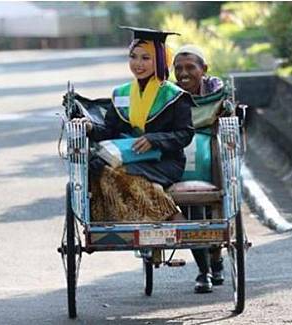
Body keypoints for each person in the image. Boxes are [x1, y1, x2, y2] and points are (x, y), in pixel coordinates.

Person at [72, 27, 195, 223]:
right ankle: (146, 221)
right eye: (133, 56)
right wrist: (89, 126)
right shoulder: (122, 93)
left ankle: (173, 216)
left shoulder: (175, 96)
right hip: (129, 156)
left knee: (116, 172)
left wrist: (154, 140)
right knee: (98, 170)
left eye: (146, 58)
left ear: (160, 60)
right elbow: (110, 131)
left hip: (165, 161)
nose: (138, 64)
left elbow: (185, 134)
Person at [173, 44, 226, 293]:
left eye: (190, 67)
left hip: (211, 149)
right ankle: (203, 272)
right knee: (192, 209)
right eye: (178, 68)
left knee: (216, 208)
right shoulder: (170, 93)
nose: (184, 73)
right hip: (183, 154)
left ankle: (216, 258)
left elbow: (225, 110)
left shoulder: (215, 88)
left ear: (203, 69)